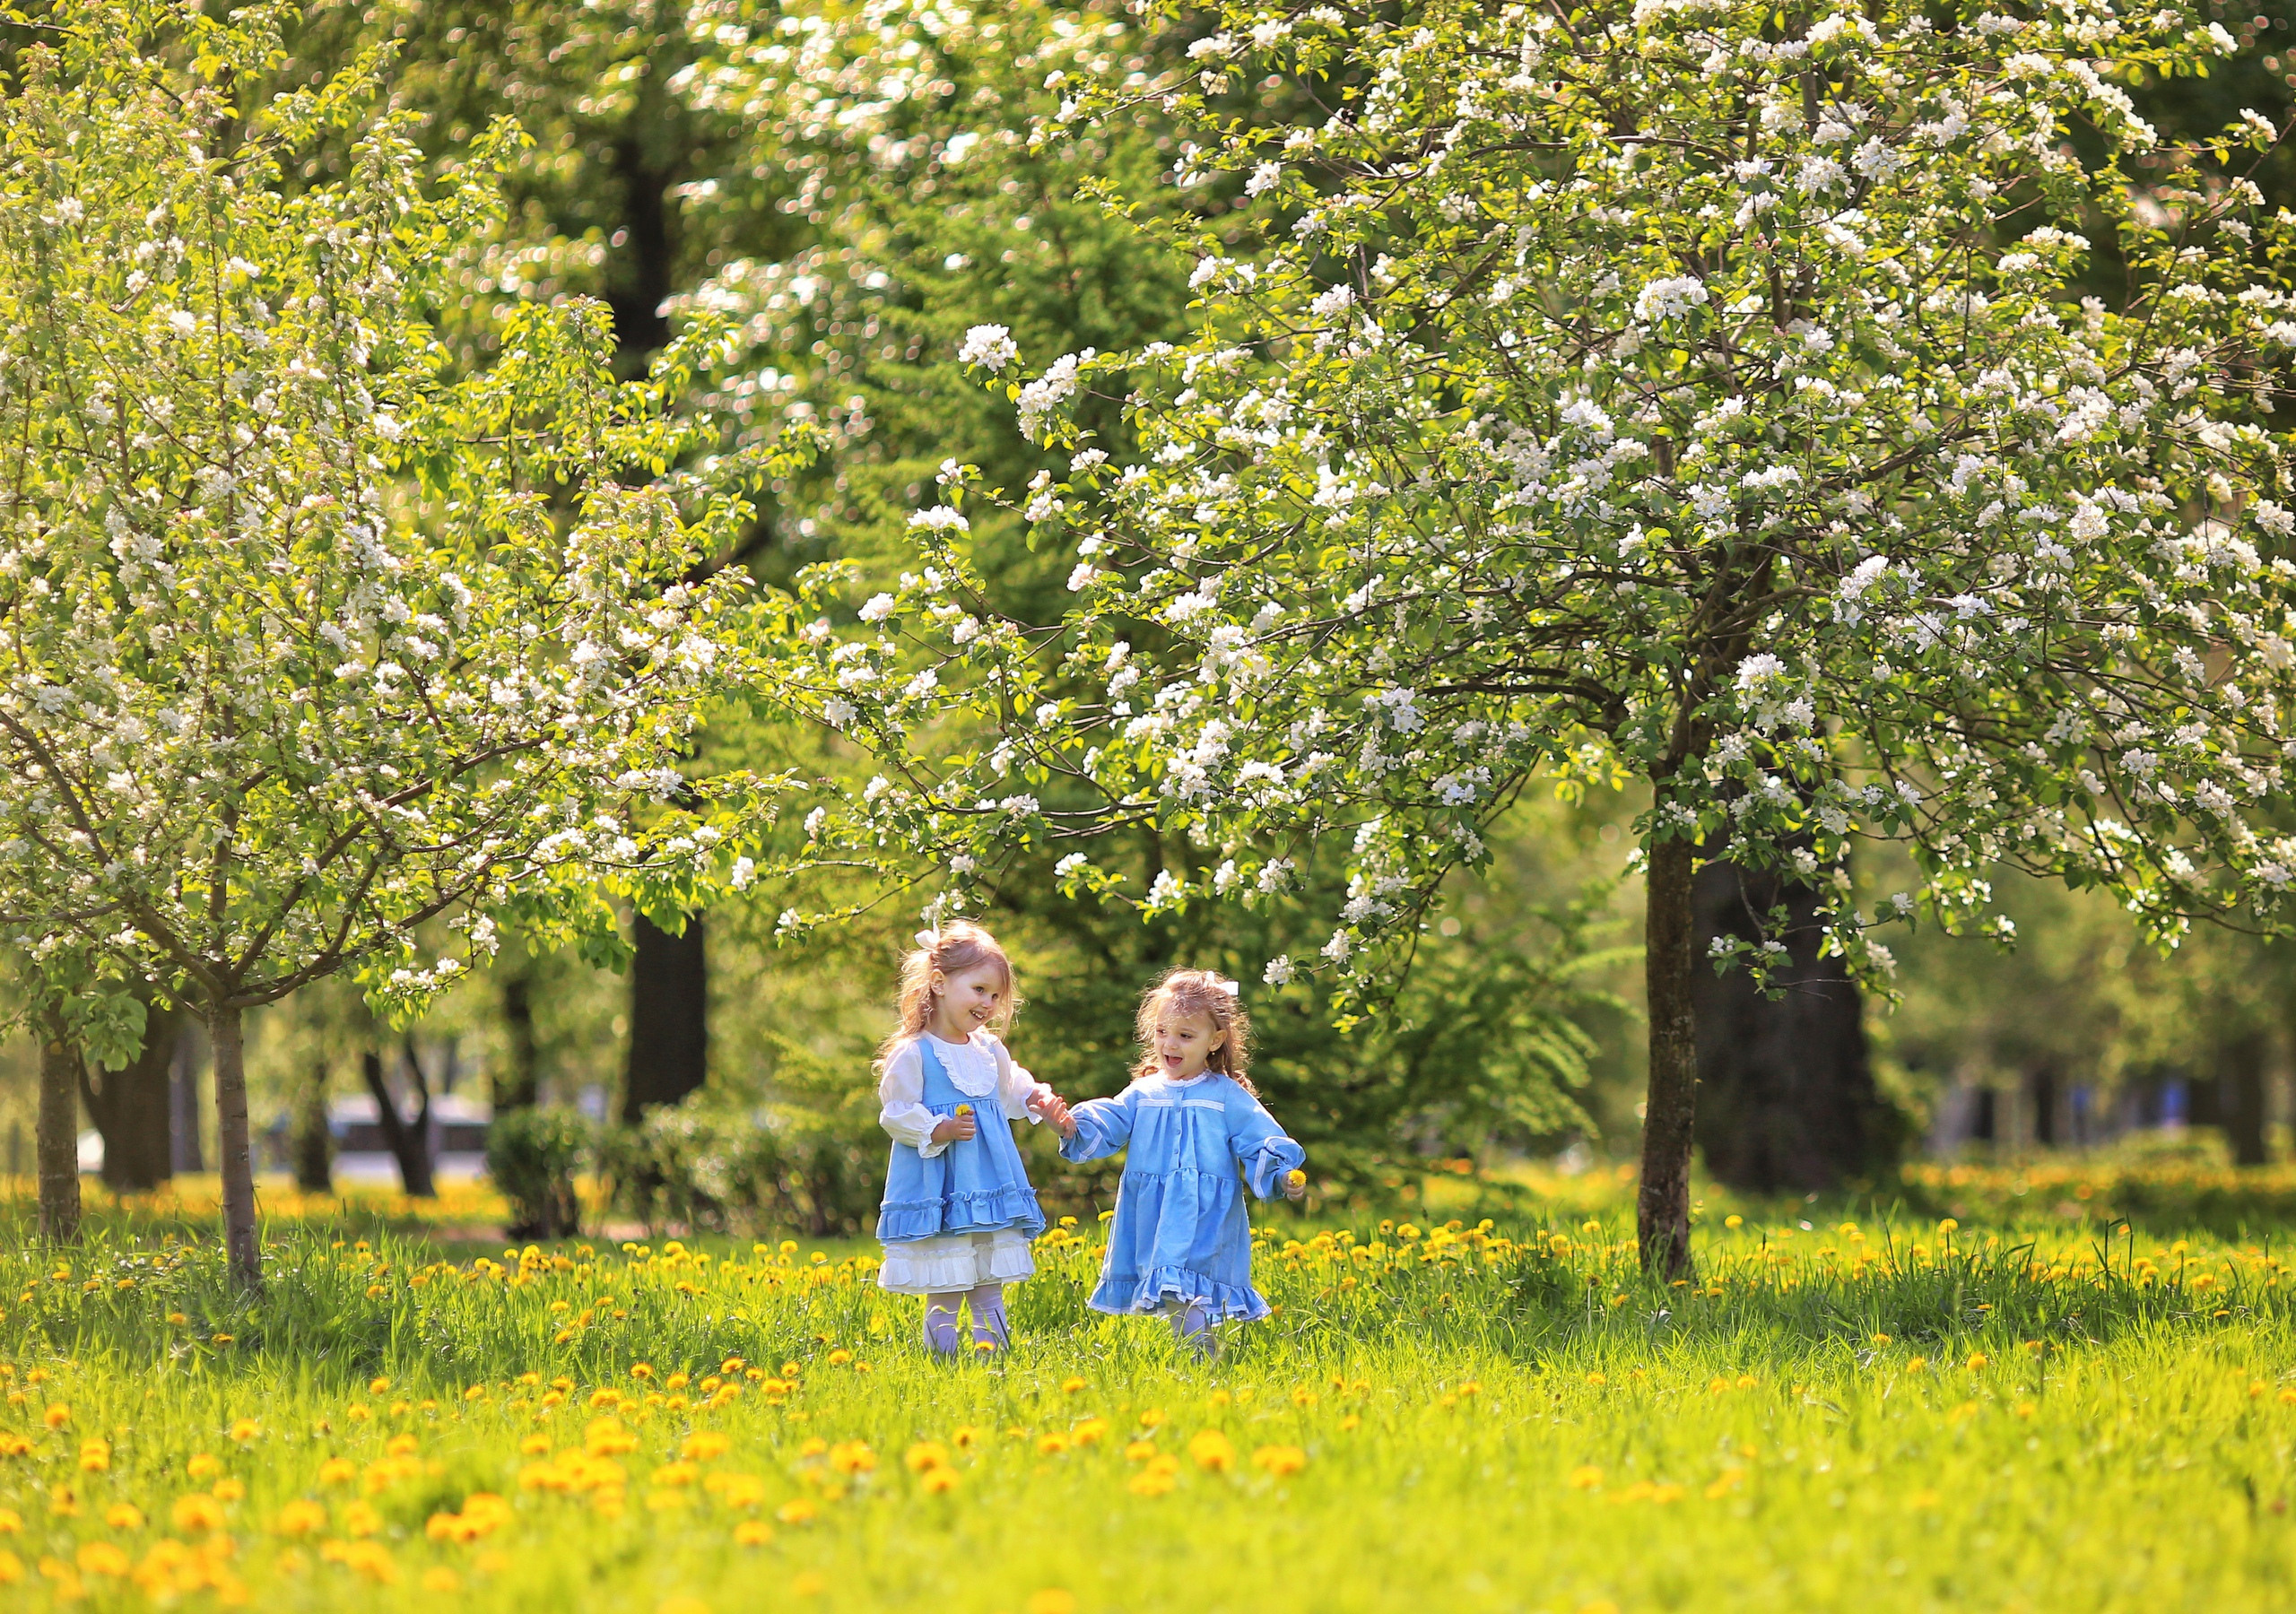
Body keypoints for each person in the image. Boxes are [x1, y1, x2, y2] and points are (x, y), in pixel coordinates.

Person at [1052, 968, 1305, 1354]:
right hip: (1154, 1210)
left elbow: (1259, 1137)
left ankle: (1201, 1358)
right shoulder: (1143, 1092)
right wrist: (1071, 1125)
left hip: (1204, 1212)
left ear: (1214, 1040)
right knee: (1176, 1289)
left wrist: (1282, 1173)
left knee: (1183, 1285)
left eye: (1185, 1036)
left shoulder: (1225, 1095)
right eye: (1161, 1032)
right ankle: (1201, 1358)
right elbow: (1111, 1122)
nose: (1170, 1044)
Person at [874, 922, 1071, 1355]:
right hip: (943, 1189)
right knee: (946, 1284)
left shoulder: (988, 1050)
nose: (988, 1003)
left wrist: (1038, 1100)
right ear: (939, 983)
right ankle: (942, 1361)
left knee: (988, 1282)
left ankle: (994, 1362)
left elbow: (1011, 1089)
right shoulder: (915, 1053)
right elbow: (896, 1113)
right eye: (979, 989)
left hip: (987, 1188)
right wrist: (938, 1128)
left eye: (996, 996)